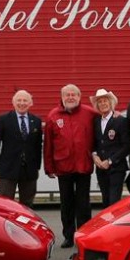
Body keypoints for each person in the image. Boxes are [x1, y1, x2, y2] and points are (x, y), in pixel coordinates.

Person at [43, 84, 97, 248]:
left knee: (83, 204)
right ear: (62, 97)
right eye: (67, 95)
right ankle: (68, 235)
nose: (70, 97)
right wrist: (49, 167)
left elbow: (105, 119)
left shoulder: (89, 113)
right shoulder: (53, 116)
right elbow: (48, 145)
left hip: (83, 165)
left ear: (79, 97)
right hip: (63, 166)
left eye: (74, 95)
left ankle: (84, 236)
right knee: (66, 204)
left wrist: (115, 114)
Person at [0, 90, 42, 208]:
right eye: (19, 100)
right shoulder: (3, 119)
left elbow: (38, 146)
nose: (22, 103)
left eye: (25, 100)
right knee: (6, 205)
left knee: (27, 206)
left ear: (30, 103)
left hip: (29, 171)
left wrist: (37, 167)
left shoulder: (36, 121)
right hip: (8, 170)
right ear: (13, 102)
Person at [90, 88, 130, 208]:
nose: (103, 104)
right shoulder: (96, 121)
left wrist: (110, 161)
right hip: (101, 168)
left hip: (116, 168)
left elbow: (127, 146)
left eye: (105, 101)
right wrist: (94, 155)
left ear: (111, 102)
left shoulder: (121, 121)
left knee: (114, 202)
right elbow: (94, 143)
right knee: (105, 201)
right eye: (100, 102)